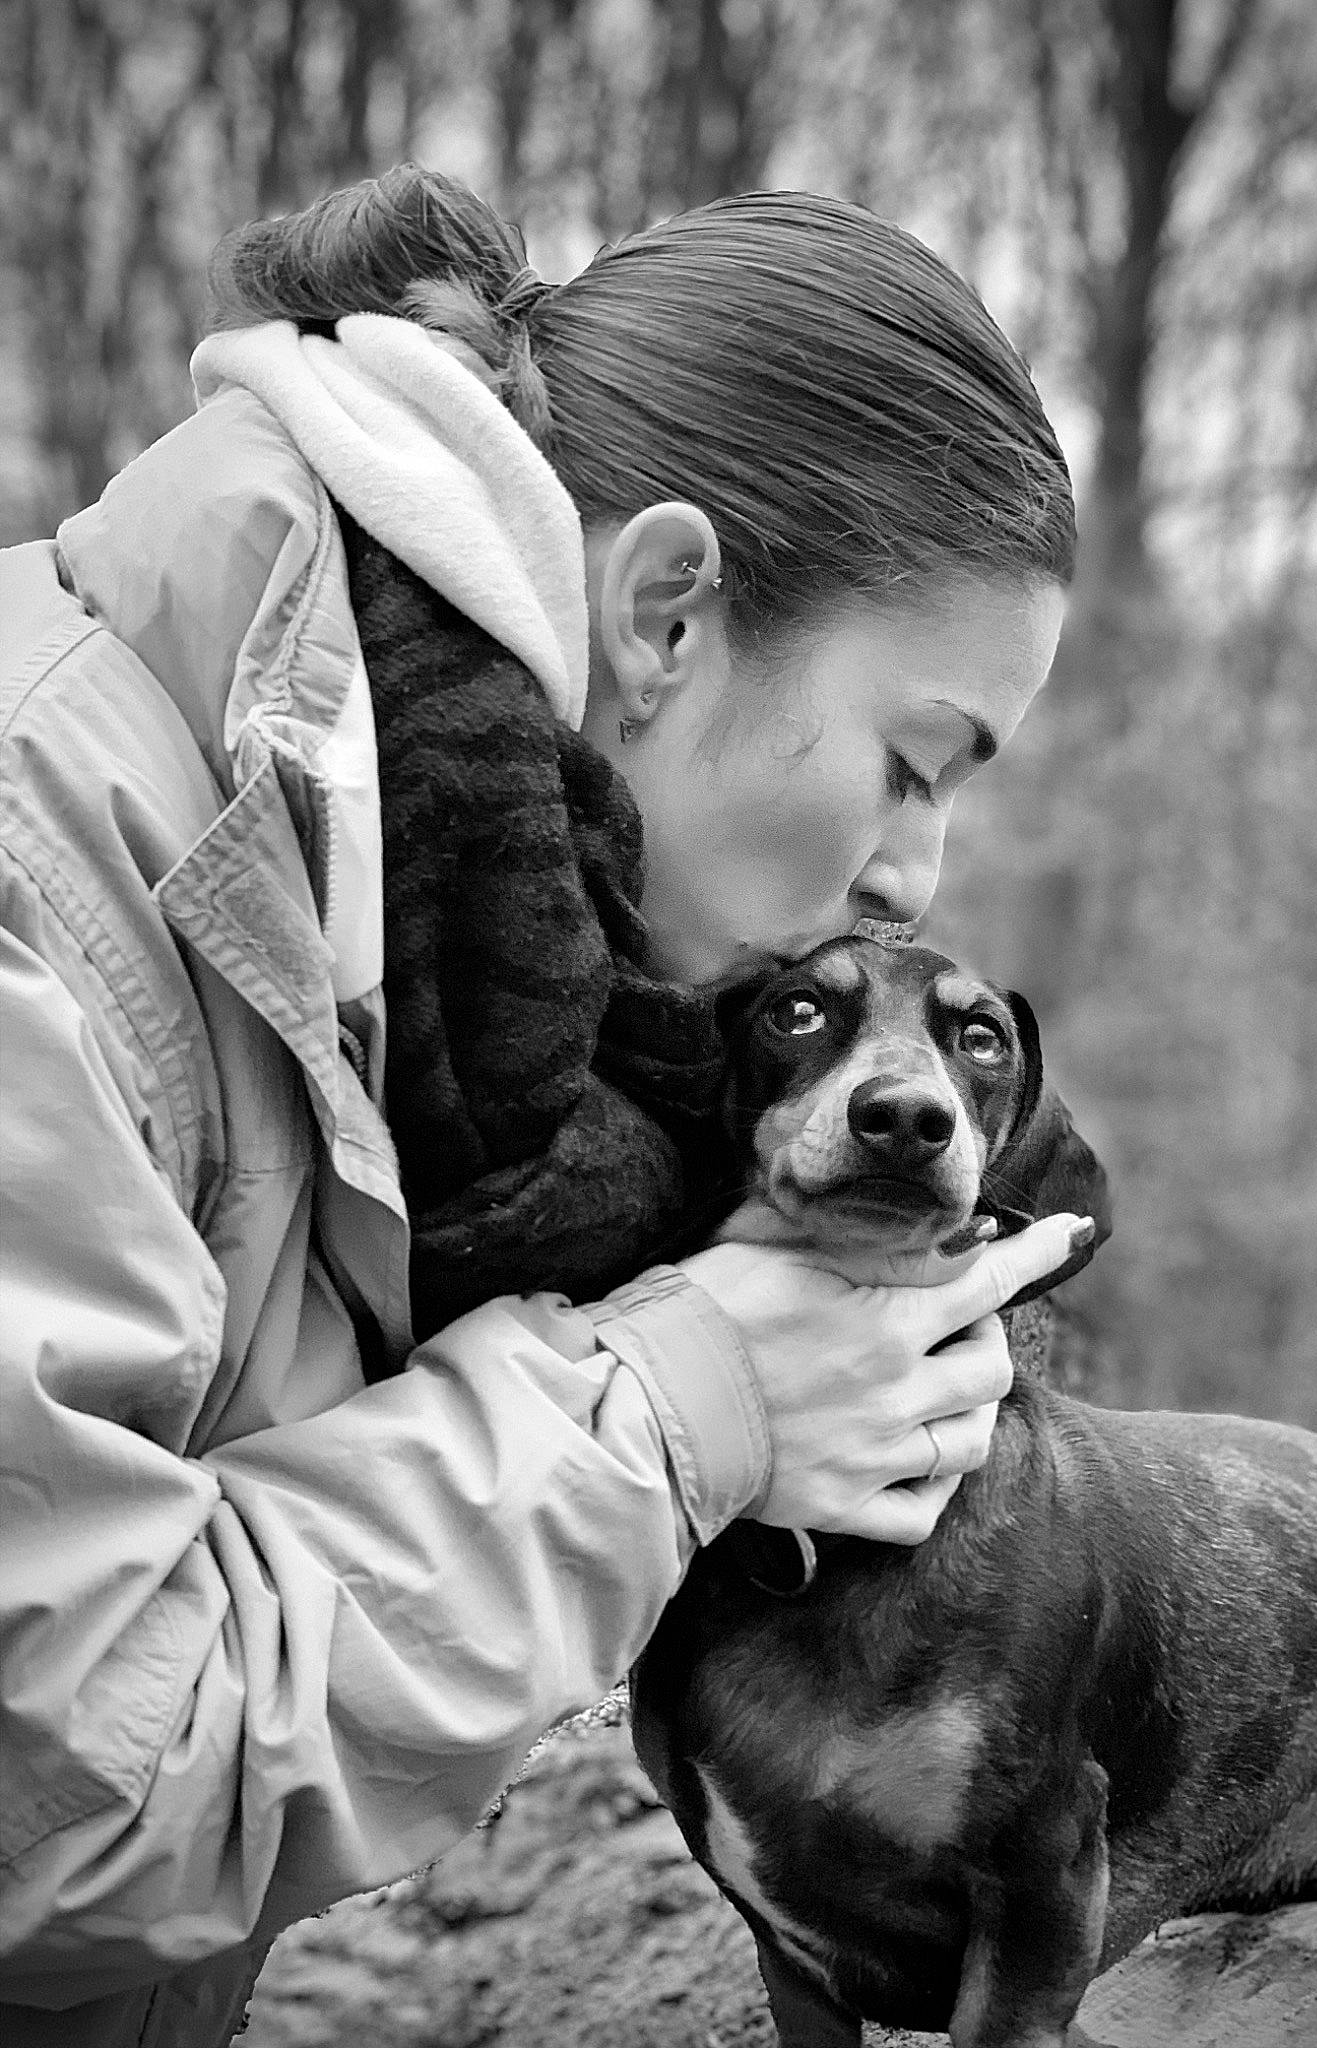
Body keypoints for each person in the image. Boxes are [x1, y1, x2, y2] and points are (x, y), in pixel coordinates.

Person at [0, 167, 1084, 2046]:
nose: (916, 873)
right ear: (664, 613)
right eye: (916, 765)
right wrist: (675, 1411)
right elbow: (61, 1784)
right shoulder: (51, 870)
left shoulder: (428, 960)